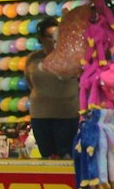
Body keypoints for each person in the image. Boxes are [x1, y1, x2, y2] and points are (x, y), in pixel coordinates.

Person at [25, 18, 82, 161]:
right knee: (47, 156)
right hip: (41, 116)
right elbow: (29, 81)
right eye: (50, 36)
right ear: (42, 39)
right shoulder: (33, 59)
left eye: (57, 35)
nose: (54, 40)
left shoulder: (72, 57)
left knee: (67, 156)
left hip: (67, 115)